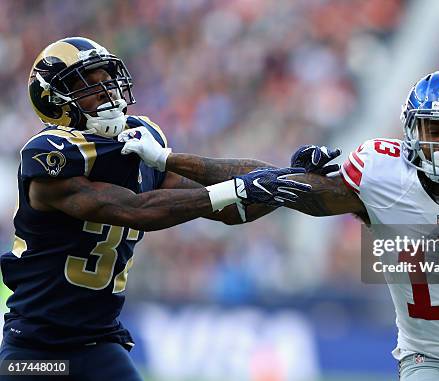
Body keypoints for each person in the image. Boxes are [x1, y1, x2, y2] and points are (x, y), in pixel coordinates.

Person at [129, 71, 439, 380]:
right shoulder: (380, 175)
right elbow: (269, 182)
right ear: (411, 131)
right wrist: (174, 159)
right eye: (434, 130)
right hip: (426, 358)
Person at [0, 37, 310, 381]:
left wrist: (288, 177)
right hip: (35, 351)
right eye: (88, 84)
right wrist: (237, 189)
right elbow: (136, 209)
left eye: (107, 78)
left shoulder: (140, 138)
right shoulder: (51, 154)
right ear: (56, 102)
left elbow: (230, 210)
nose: (106, 90)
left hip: (100, 344)